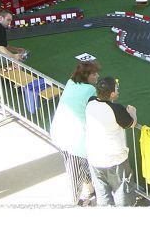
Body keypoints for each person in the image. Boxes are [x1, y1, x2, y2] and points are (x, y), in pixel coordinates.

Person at [50, 61, 100, 206]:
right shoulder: (90, 90)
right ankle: (75, 201)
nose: (97, 76)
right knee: (74, 170)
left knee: (78, 164)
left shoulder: (71, 82)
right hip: (74, 138)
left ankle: (90, 187)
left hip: (59, 130)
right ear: (86, 75)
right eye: (94, 74)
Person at [85, 76, 138, 206]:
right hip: (115, 160)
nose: (118, 90)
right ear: (112, 93)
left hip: (94, 159)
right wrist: (133, 112)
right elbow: (131, 123)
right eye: (116, 88)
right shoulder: (117, 109)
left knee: (103, 196)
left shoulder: (90, 102)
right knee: (123, 194)